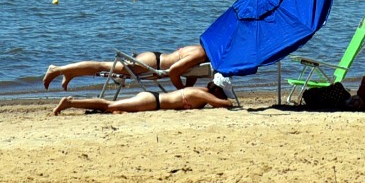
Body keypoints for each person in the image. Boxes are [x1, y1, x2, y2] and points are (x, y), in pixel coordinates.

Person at [42, 43, 209, 90]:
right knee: (102, 66)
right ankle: (56, 69)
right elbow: (173, 72)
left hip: (153, 58)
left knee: (105, 68)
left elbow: (190, 72)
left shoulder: (199, 48)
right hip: (150, 65)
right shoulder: (200, 54)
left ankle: (71, 73)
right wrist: (182, 91)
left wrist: (188, 87)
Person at [52, 83, 233, 115]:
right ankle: (70, 102)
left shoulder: (201, 91)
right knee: (109, 105)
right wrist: (230, 102)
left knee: (112, 107)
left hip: (152, 100)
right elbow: (222, 104)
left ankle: (71, 103)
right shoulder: (201, 94)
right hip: (151, 102)